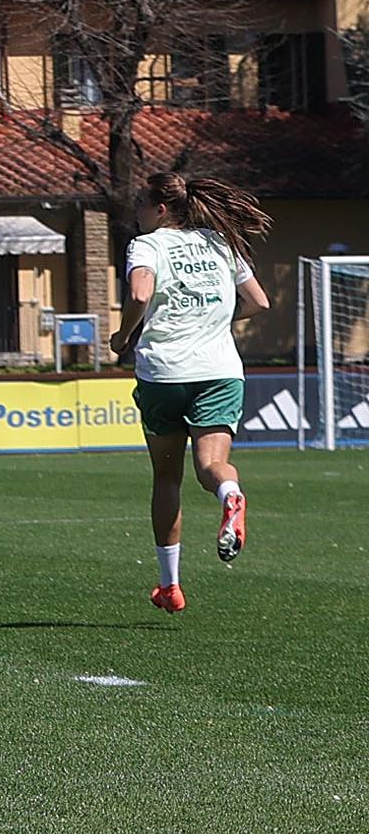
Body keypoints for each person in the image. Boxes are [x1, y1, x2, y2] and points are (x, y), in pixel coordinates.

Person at [113, 171, 271, 612]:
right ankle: (229, 494)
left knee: (167, 477)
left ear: (160, 209)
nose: (137, 213)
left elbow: (141, 294)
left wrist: (123, 335)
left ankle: (170, 585)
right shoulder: (222, 242)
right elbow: (259, 302)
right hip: (220, 370)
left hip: (165, 373)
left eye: (141, 204)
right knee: (212, 465)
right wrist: (215, 322)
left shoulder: (147, 245)